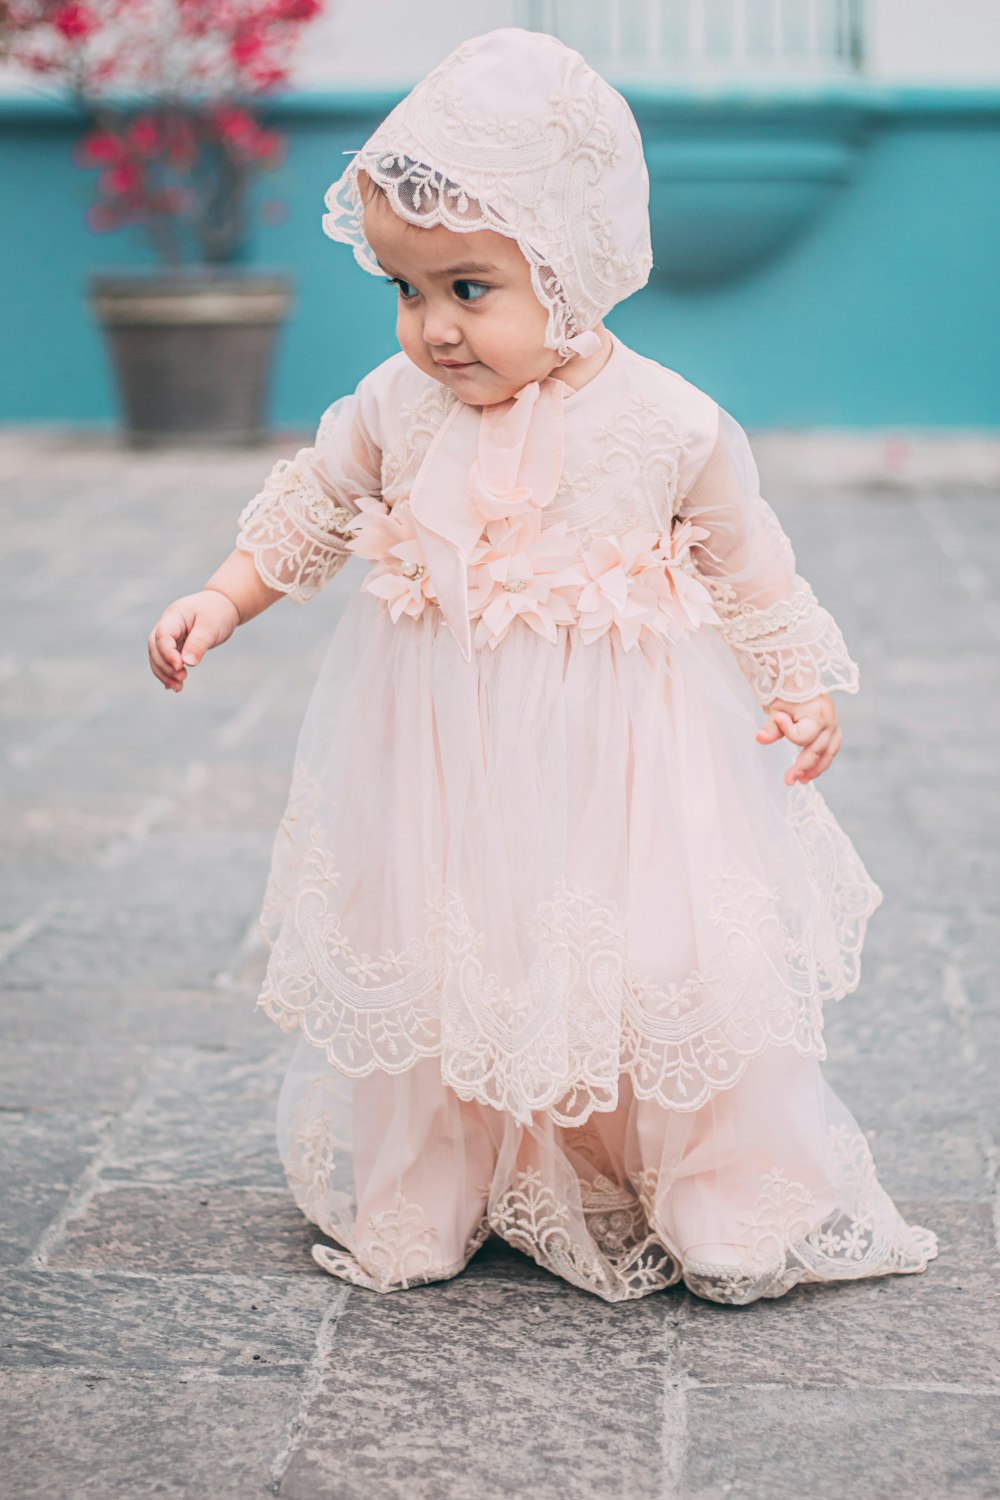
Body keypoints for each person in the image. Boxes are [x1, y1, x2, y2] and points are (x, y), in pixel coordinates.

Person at [147, 27, 939, 1305]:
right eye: (406, 292)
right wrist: (220, 597)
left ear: (570, 270)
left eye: (469, 289)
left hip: (621, 758)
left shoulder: (668, 422)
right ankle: (431, 1175)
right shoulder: (393, 408)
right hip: (441, 755)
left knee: (656, 952)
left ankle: (715, 1179)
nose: (434, 330)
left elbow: (749, 565)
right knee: (441, 939)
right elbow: (314, 506)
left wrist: (796, 684)